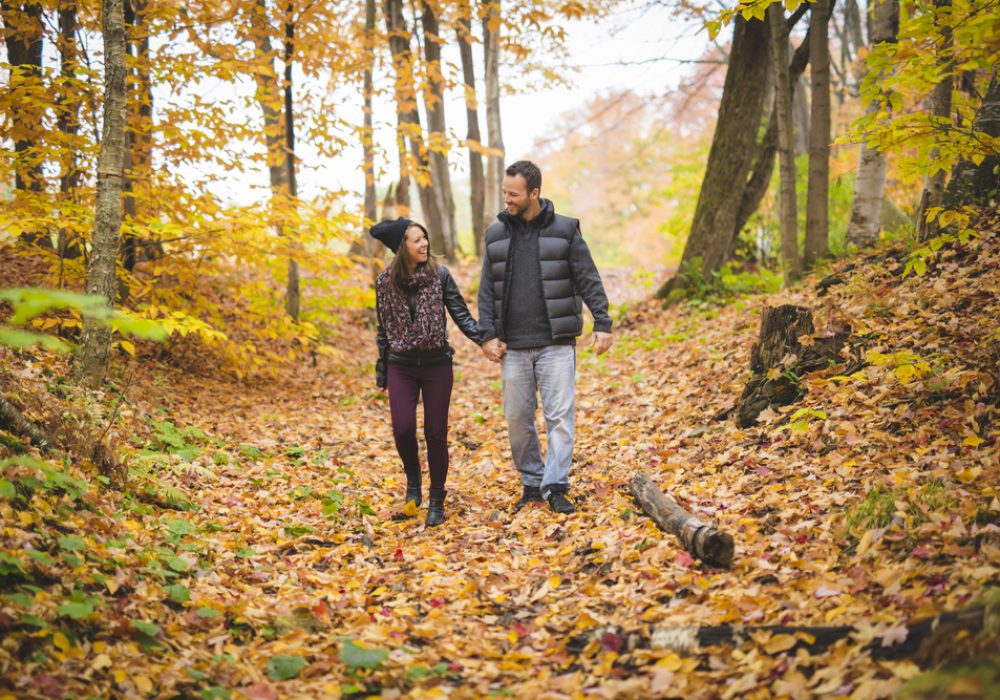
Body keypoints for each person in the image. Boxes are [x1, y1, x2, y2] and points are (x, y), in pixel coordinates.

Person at [477, 160, 613, 515]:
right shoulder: (495, 235)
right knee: (518, 420)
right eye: (505, 192)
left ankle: (555, 486)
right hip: (513, 348)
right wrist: (487, 335)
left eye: (514, 194)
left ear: (534, 193)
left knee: (559, 418)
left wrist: (603, 321)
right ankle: (531, 483)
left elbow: (588, 278)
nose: (507, 199)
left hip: (556, 342)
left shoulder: (565, 230)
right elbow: (486, 290)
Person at [371, 217, 482, 526]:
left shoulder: (440, 275)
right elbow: (383, 328)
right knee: (403, 428)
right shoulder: (384, 282)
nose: (424, 244)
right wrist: (382, 369)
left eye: (425, 238)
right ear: (401, 247)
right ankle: (413, 482)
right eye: (416, 240)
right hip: (401, 365)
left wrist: (485, 340)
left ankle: (436, 498)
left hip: (436, 363)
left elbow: (460, 313)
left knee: (435, 433)